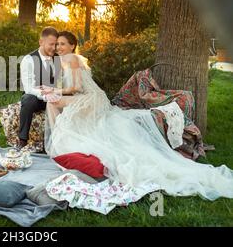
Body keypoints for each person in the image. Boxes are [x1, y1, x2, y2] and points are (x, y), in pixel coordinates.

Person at [44, 31, 233, 200]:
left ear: (71, 46)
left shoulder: (72, 59)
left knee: (52, 103)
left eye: (62, 44)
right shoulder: (71, 59)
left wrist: (57, 91)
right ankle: (56, 139)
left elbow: (76, 88)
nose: (58, 47)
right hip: (92, 99)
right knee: (56, 104)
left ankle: (53, 141)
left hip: (90, 99)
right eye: (57, 44)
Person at [18, 27, 61, 149]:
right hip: (38, 99)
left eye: (56, 44)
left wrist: (55, 92)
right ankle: (22, 141)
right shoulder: (29, 60)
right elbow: (28, 88)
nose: (54, 48)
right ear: (41, 42)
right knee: (27, 98)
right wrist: (45, 94)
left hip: (55, 96)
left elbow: (60, 81)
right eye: (51, 44)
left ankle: (60, 142)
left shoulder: (57, 58)